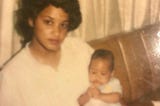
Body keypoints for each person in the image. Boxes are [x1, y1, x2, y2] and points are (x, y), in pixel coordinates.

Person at [0, 0, 93, 106]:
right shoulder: (11, 76)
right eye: (48, 22)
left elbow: (110, 86)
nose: (57, 32)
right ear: (31, 19)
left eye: (63, 25)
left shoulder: (80, 49)